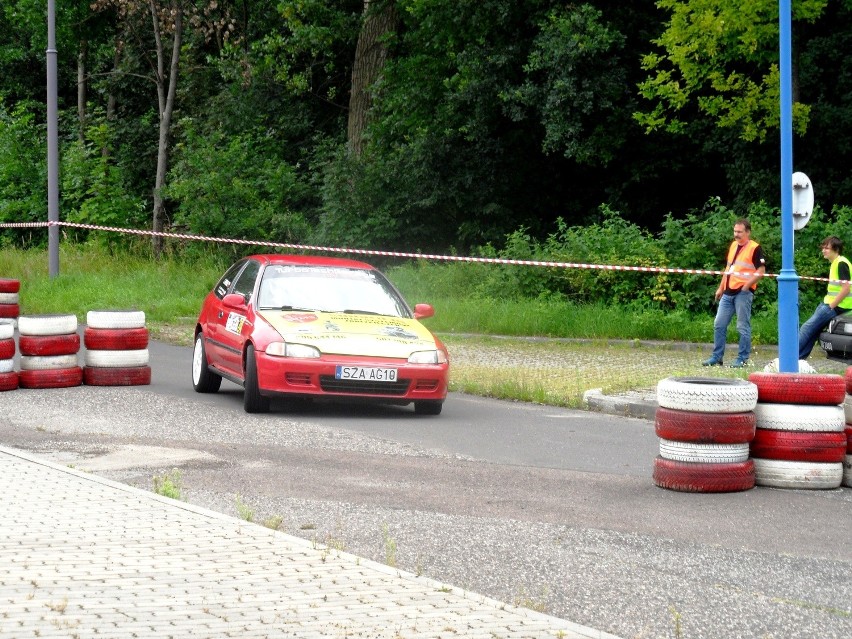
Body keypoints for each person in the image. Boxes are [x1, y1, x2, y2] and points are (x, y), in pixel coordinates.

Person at [702, 219, 766, 368]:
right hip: (728, 291)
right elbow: (728, 268)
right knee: (719, 324)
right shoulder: (733, 245)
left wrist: (747, 286)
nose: (736, 234)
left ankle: (742, 359)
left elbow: (761, 271)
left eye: (739, 232)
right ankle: (717, 357)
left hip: (743, 293)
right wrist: (721, 287)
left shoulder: (755, 248)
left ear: (748, 232)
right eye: (735, 231)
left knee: (742, 326)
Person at [798, 236, 852, 359]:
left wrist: (831, 306)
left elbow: (846, 288)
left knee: (806, 328)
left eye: (826, 248)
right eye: (823, 248)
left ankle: (788, 359)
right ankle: (798, 359)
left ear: (836, 249)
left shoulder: (841, 263)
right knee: (813, 332)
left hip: (835, 306)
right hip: (832, 304)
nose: (823, 250)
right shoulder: (836, 263)